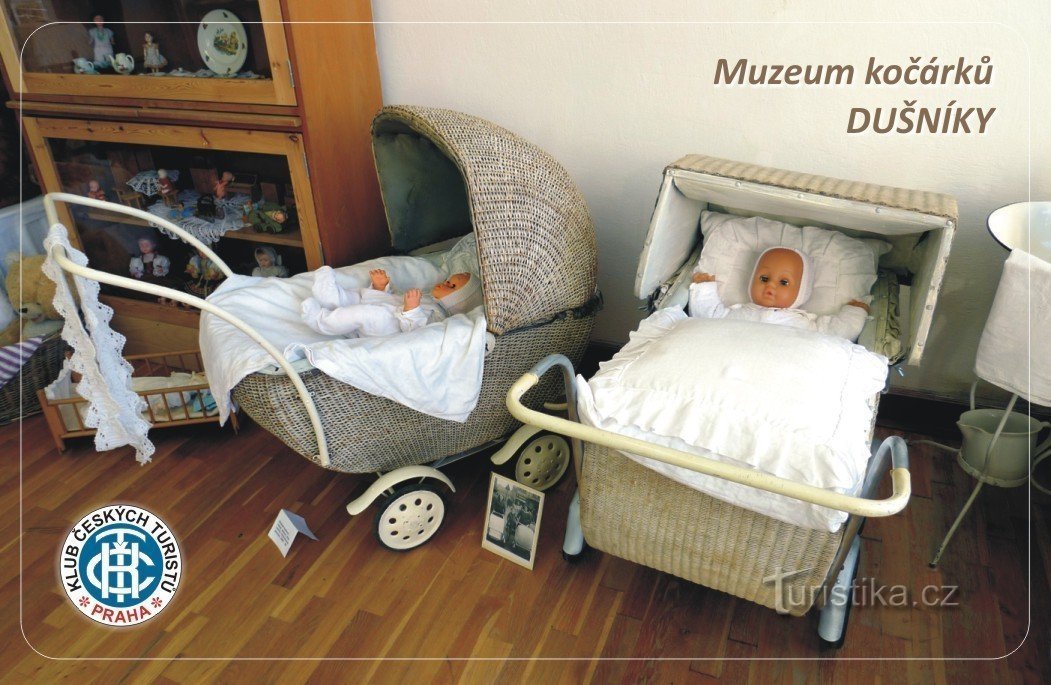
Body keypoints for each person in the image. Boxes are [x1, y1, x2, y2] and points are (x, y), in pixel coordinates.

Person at [689, 246, 870, 341]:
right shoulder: (735, 313)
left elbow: (838, 334)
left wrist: (854, 312)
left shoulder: (805, 324)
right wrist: (704, 288)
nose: (771, 285)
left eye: (784, 282)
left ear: (802, 291)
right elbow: (707, 315)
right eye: (764, 278)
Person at [300, 266, 482, 338]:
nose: (444, 283)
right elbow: (395, 299)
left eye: (450, 286)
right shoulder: (428, 297)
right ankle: (328, 296)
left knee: (362, 313)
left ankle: (321, 321)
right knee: (355, 298)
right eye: (448, 280)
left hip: (384, 325)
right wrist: (381, 287)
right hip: (380, 304)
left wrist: (412, 310)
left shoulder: (440, 317)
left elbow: (420, 333)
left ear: (458, 300)